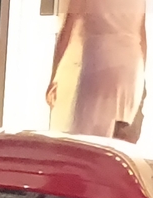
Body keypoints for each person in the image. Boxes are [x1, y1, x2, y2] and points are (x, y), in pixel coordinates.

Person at [48, 0, 147, 139]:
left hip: (99, 64)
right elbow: (142, 36)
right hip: (131, 71)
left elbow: (67, 30)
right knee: (119, 140)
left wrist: (54, 77)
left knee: (85, 138)